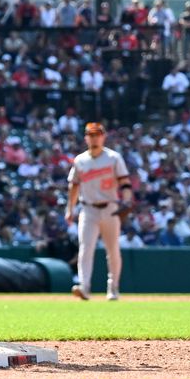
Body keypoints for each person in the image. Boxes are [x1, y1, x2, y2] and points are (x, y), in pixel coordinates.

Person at [65, 122, 131, 301]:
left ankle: (113, 288)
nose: (94, 138)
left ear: (103, 136)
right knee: (85, 249)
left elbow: (125, 183)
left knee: (113, 250)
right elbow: (73, 186)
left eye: (97, 134)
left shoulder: (113, 158)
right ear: (86, 137)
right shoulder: (80, 160)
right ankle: (84, 287)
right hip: (88, 209)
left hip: (110, 208)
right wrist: (69, 209)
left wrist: (126, 200)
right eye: (90, 135)